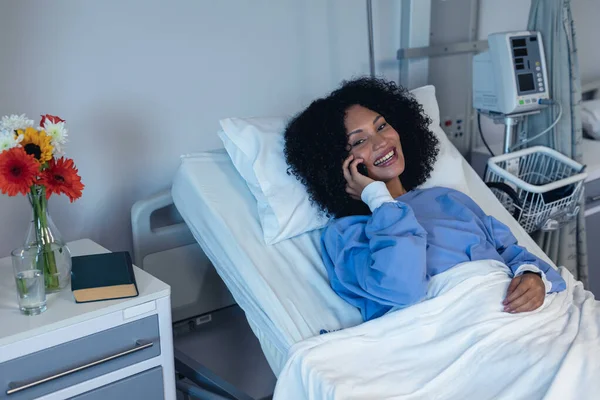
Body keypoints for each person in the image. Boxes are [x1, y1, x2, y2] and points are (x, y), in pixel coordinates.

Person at [284, 77, 566, 322]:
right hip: (447, 331)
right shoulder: (346, 233)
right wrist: (379, 200)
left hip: (513, 314)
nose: (381, 142)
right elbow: (402, 288)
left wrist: (532, 277)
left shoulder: (448, 199)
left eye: (382, 126)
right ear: (338, 164)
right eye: (359, 142)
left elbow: (513, 253)